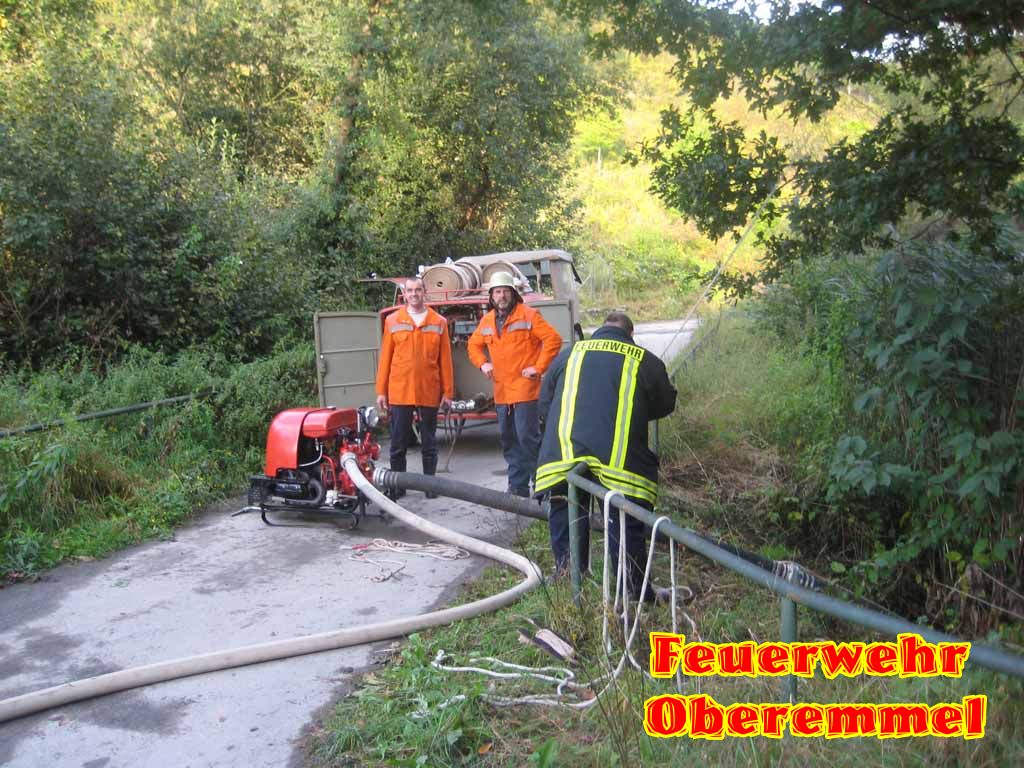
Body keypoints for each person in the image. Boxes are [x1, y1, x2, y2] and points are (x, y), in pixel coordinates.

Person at [535, 312, 677, 601]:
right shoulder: (643, 359)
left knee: (567, 511)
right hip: (619, 461)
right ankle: (633, 591)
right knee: (624, 521)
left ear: (600, 330)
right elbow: (665, 404)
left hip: (564, 453)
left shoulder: (568, 355)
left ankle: (569, 581)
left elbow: (545, 403)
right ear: (630, 334)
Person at [468, 271, 562, 497]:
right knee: (509, 441)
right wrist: (483, 364)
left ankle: (542, 486)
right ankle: (517, 487)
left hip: (525, 391)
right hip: (502, 392)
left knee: (528, 440)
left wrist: (538, 368)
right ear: (491, 296)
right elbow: (473, 345)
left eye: (505, 291)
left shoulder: (528, 315)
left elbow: (553, 339)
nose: (501, 296)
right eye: (497, 292)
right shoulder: (487, 320)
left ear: (513, 294)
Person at [375, 277, 455, 499]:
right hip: (400, 390)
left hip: (428, 389)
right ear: (404, 294)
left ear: (424, 292)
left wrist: (448, 392)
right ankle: (398, 486)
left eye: (418, 290)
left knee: (429, 442)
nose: (414, 294)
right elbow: (385, 359)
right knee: (398, 443)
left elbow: (445, 361)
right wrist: (381, 391)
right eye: (410, 290)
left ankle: (430, 486)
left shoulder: (438, 322)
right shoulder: (392, 321)